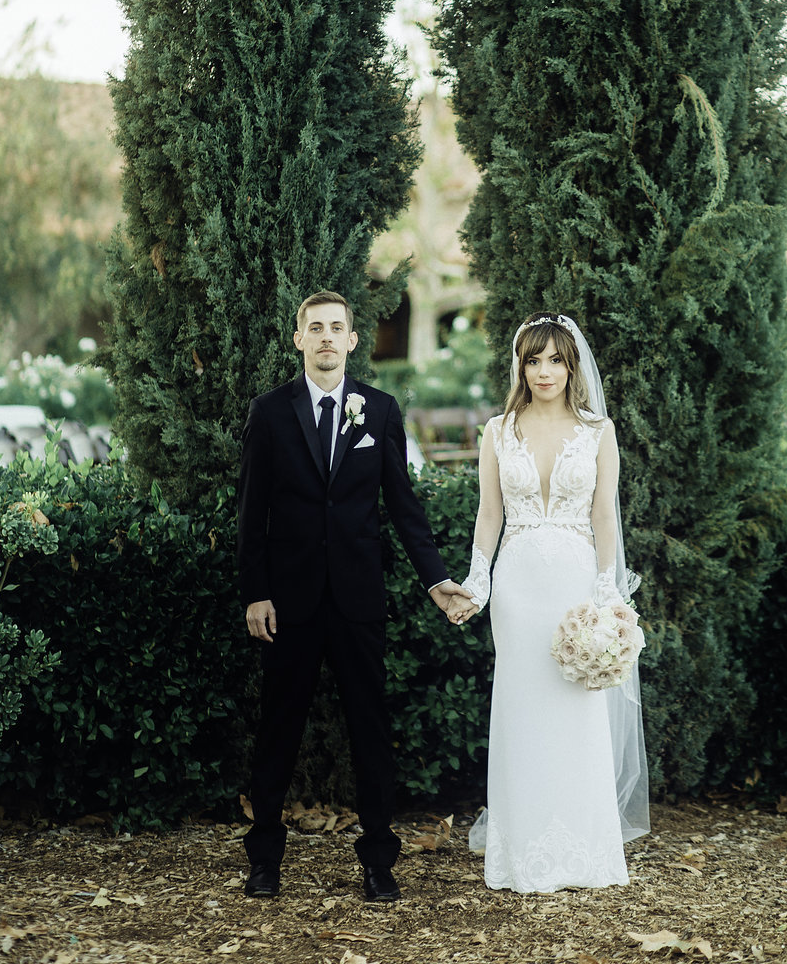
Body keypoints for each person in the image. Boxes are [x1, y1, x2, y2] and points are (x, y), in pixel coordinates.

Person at [237, 290, 471, 903]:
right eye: (314, 328)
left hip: (358, 601)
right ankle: (263, 859)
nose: (325, 338)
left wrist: (435, 579)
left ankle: (378, 864)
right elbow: (251, 513)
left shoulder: (381, 411)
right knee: (277, 732)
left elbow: (403, 506)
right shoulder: (270, 412)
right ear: (298, 339)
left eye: (335, 328)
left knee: (370, 732)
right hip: (288, 603)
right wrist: (256, 593)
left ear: (351, 341)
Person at [447, 312, 649, 893]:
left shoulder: (597, 431)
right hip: (517, 588)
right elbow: (490, 516)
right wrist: (478, 585)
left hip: (575, 586)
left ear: (572, 365)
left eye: (555, 359)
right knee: (521, 708)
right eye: (533, 359)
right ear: (520, 365)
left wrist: (606, 593)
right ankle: (523, 852)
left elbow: (604, 514)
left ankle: (582, 851)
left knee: (576, 710)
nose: (544, 371)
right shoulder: (497, 431)